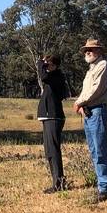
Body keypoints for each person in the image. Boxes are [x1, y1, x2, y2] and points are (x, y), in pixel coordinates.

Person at [73, 39, 107, 202]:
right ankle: (101, 184)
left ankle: (105, 188)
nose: (87, 52)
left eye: (91, 49)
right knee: (94, 149)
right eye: (86, 50)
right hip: (89, 112)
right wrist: (82, 104)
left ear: (99, 51)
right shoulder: (92, 69)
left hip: (98, 111)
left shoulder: (104, 65)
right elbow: (86, 90)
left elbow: (96, 89)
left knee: (100, 149)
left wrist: (79, 102)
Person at [36, 55, 69, 193]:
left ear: (55, 65)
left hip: (53, 118)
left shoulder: (56, 76)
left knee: (53, 151)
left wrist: (39, 63)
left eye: (47, 64)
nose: (45, 67)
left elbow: (43, 77)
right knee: (49, 151)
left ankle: (58, 183)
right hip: (49, 117)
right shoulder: (54, 77)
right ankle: (57, 181)